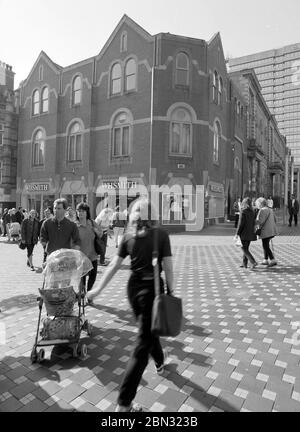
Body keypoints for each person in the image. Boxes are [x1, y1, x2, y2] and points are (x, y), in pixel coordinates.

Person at [87, 199, 174, 412]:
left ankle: (161, 362)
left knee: (148, 331)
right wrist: (171, 292)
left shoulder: (127, 236)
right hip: (151, 291)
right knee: (142, 346)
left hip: (133, 291)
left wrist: (97, 290)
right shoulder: (161, 235)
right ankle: (124, 404)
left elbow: (114, 266)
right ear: (152, 215)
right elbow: (169, 269)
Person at [76, 202, 102, 294]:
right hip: (81, 256)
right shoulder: (75, 225)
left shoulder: (91, 222)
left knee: (93, 276)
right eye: (78, 211)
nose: (80, 213)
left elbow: (101, 233)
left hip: (93, 255)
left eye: (82, 211)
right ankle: (81, 293)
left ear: (87, 212)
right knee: (82, 277)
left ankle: (89, 292)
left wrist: (96, 231)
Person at [235, 197, 258, 270]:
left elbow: (241, 224)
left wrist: (237, 233)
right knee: (246, 248)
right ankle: (244, 263)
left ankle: (253, 261)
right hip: (250, 233)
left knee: (243, 248)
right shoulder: (252, 211)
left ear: (244, 203)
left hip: (244, 233)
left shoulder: (243, 211)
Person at [255, 197, 278, 267]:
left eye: (257, 204)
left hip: (265, 231)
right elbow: (275, 220)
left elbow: (260, 221)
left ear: (260, 204)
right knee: (266, 244)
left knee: (265, 245)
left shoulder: (262, 210)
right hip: (272, 231)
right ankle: (265, 259)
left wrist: (253, 221)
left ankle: (272, 259)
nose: (257, 205)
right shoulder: (270, 210)